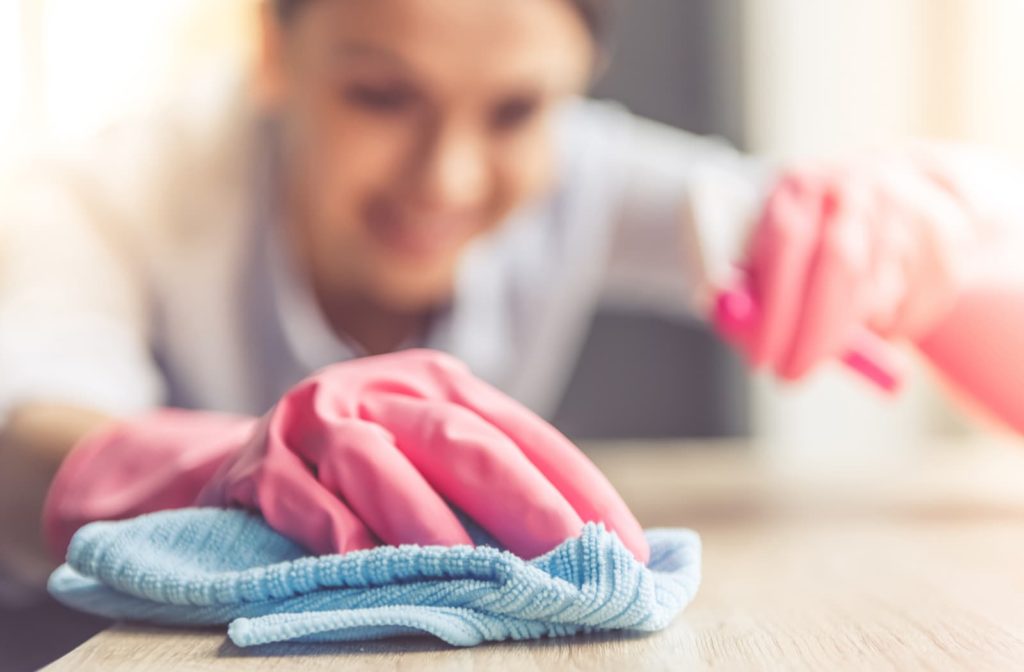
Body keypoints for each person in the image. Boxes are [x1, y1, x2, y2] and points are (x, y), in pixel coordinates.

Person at [2, 0, 1024, 589]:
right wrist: (228, 464)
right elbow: (21, 437)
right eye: (379, 94)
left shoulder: (582, 174)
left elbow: (897, 259)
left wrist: (928, 235)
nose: (446, 177)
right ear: (274, 50)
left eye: (518, 109)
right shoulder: (105, 192)